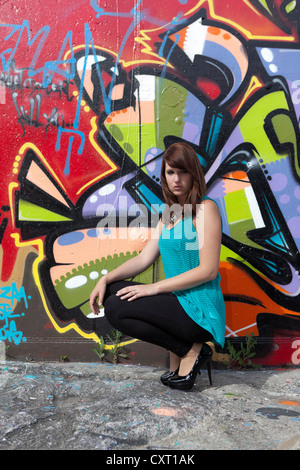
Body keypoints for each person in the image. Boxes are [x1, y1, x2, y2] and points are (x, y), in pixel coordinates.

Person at [89, 142, 226, 391]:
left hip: (199, 309)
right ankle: (186, 349)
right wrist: (105, 279)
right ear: (164, 176)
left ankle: (191, 350)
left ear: (193, 173)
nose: (176, 179)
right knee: (113, 291)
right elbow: (144, 258)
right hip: (177, 303)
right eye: (170, 172)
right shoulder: (170, 213)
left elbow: (208, 270)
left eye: (182, 172)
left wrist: (153, 288)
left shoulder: (206, 209)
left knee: (117, 309)